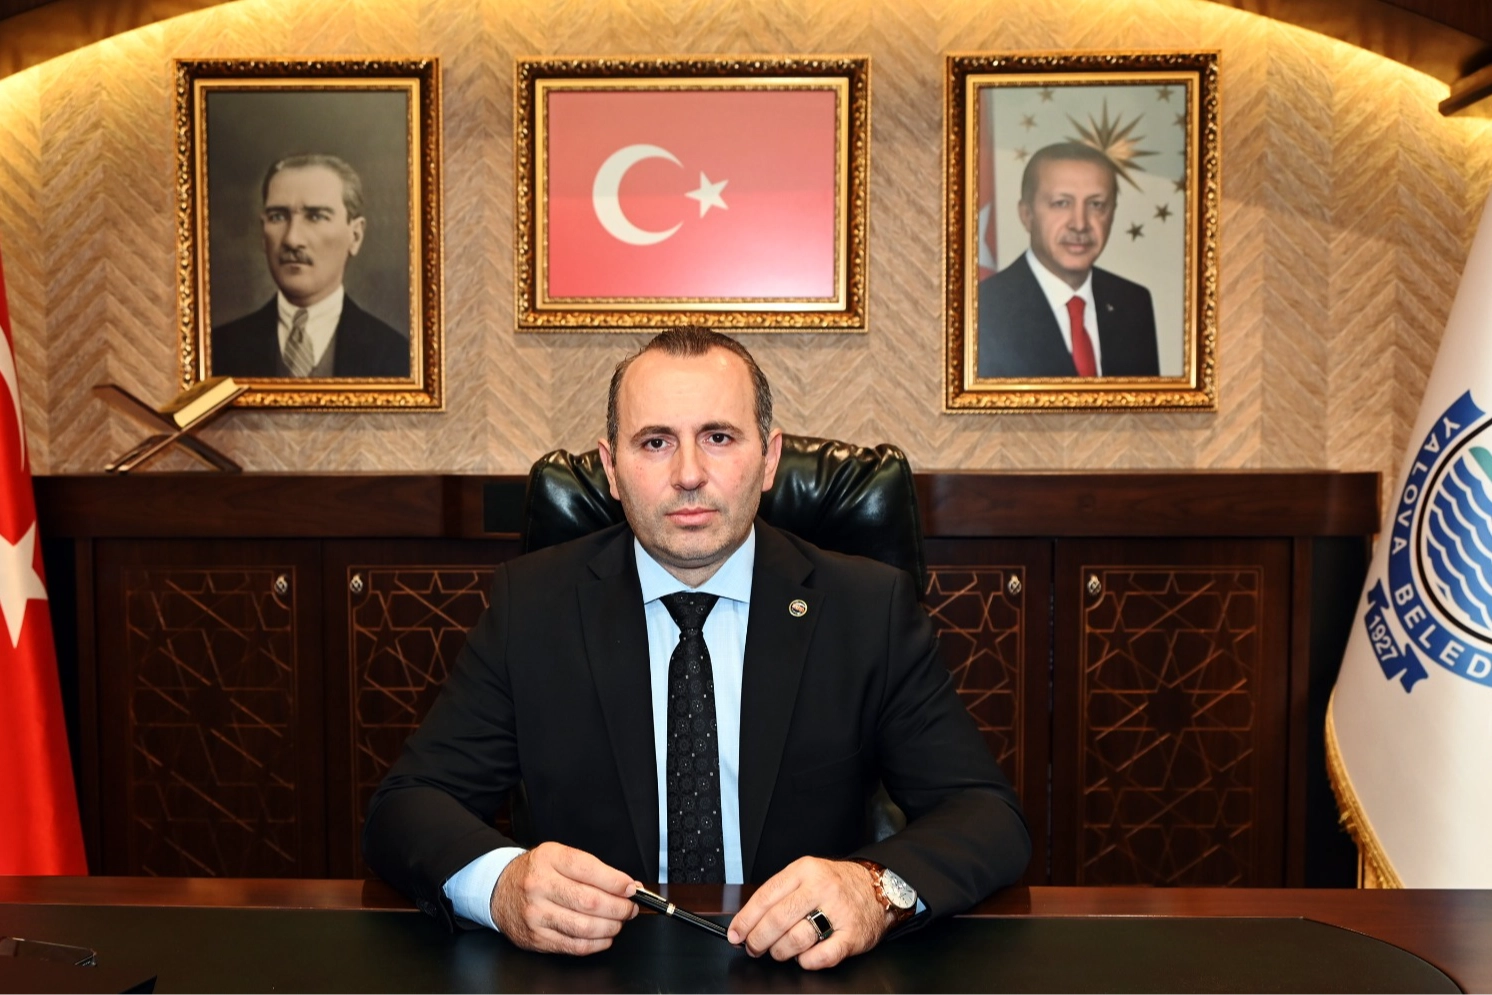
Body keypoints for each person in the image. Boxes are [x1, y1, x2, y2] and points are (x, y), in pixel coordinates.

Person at [363, 327, 1030, 970]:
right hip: (597, 968)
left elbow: (986, 815)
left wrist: (875, 889)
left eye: (718, 437)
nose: (688, 474)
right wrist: (502, 885)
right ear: (611, 468)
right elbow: (406, 805)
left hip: (801, 967)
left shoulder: (866, 608)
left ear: (769, 458)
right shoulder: (533, 607)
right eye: (655, 442)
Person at [211, 154, 409, 378]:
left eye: (316, 217)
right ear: (263, 234)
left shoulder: (398, 356)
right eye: (278, 217)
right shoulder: (218, 351)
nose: (292, 239)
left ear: (355, 236)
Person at [977, 142, 1160, 379]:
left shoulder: (1133, 303)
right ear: (1027, 215)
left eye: (1096, 205)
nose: (1080, 224)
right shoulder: (985, 308)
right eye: (1061, 203)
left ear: (1112, 214)